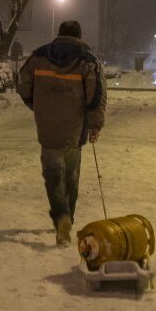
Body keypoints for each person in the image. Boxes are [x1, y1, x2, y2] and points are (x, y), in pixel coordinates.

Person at [17, 20, 107, 247]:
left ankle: (61, 219)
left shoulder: (38, 55)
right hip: (74, 130)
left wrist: (36, 105)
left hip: (48, 129)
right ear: (79, 35)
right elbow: (96, 95)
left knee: (53, 177)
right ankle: (69, 217)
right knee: (71, 177)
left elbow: (22, 83)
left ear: (59, 34)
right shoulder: (88, 60)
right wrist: (95, 125)